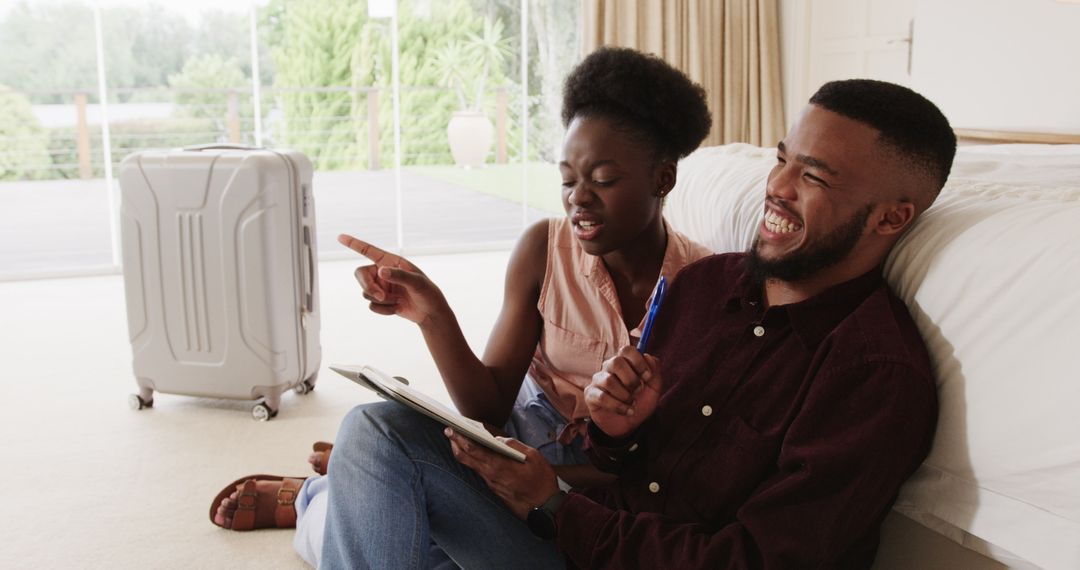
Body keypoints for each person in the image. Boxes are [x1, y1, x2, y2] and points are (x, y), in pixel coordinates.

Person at [317, 77, 956, 569]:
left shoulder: (873, 378)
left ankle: (321, 505)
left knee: (390, 501)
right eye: (783, 159)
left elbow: (755, 561)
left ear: (891, 219)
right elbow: (628, 466)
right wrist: (614, 432)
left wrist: (557, 505)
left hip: (592, 539)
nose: (777, 187)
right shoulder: (706, 287)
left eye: (812, 175)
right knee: (380, 429)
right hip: (580, 538)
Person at [209, 46, 714, 561]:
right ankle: (363, 482)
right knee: (374, 430)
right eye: (567, 179)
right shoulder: (544, 248)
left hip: (583, 502)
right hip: (514, 445)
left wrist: (529, 481)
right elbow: (488, 406)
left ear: (663, 179)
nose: (577, 198)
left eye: (602, 180)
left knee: (405, 527)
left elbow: (666, 472)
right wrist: (433, 315)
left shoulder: (709, 289)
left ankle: (329, 496)